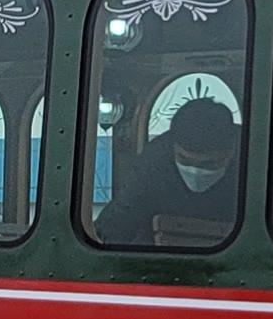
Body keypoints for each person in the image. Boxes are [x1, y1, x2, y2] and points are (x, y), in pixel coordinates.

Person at [100, 93, 242, 246]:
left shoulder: (255, 164)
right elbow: (118, 218)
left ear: (232, 151)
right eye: (184, 160)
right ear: (173, 147)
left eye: (209, 165)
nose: (195, 171)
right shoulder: (152, 164)